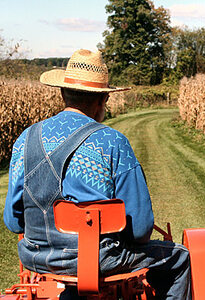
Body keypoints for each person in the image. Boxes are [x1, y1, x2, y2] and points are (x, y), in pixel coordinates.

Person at [3, 49, 191, 299]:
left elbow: (13, 222)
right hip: (98, 261)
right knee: (179, 258)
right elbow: (141, 229)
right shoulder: (112, 142)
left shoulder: (25, 140)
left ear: (63, 93)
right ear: (103, 100)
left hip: (36, 257)